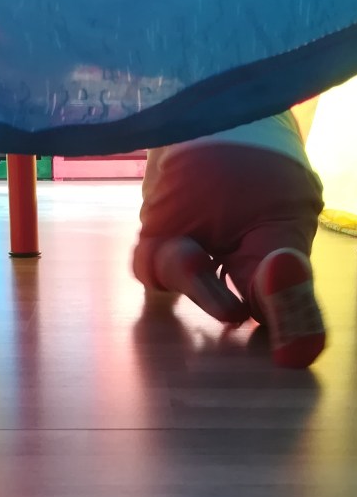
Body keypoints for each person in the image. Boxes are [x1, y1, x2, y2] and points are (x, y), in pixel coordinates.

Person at [132, 110, 326, 367]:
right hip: (282, 172)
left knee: (152, 249)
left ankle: (173, 256)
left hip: (195, 165)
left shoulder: (173, 95)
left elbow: (154, 183)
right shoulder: (278, 95)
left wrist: (155, 235)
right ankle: (270, 266)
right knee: (269, 252)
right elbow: (294, 147)